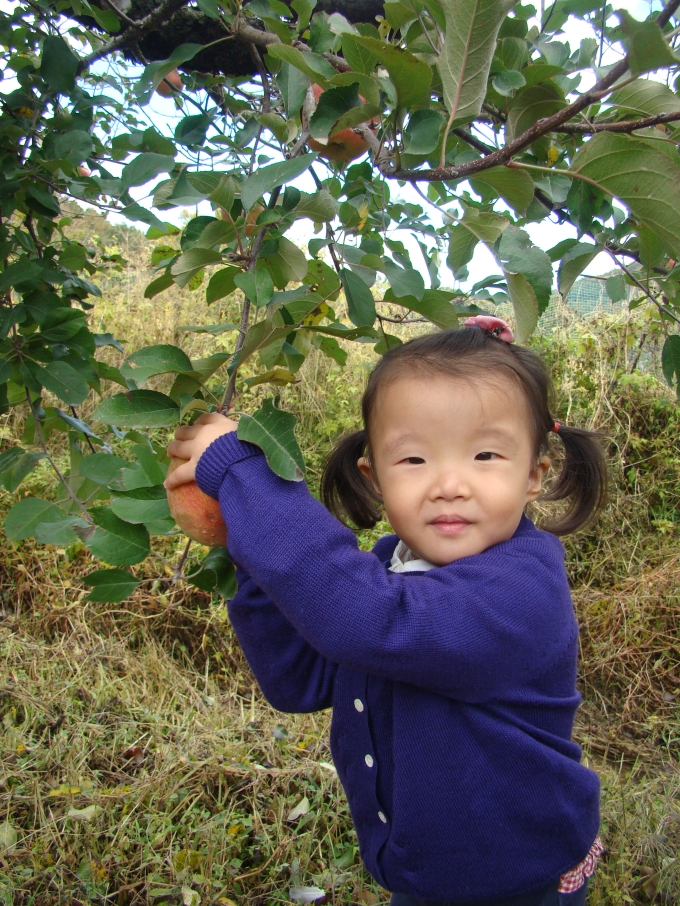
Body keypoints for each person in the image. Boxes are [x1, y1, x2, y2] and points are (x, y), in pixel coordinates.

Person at [164, 317, 607, 906]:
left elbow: (370, 620)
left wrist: (248, 479)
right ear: (374, 477)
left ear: (533, 475)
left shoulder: (524, 589)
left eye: (485, 454)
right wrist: (249, 547)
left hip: (515, 882)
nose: (450, 483)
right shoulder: (391, 569)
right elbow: (301, 679)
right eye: (414, 460)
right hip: (424, 876)